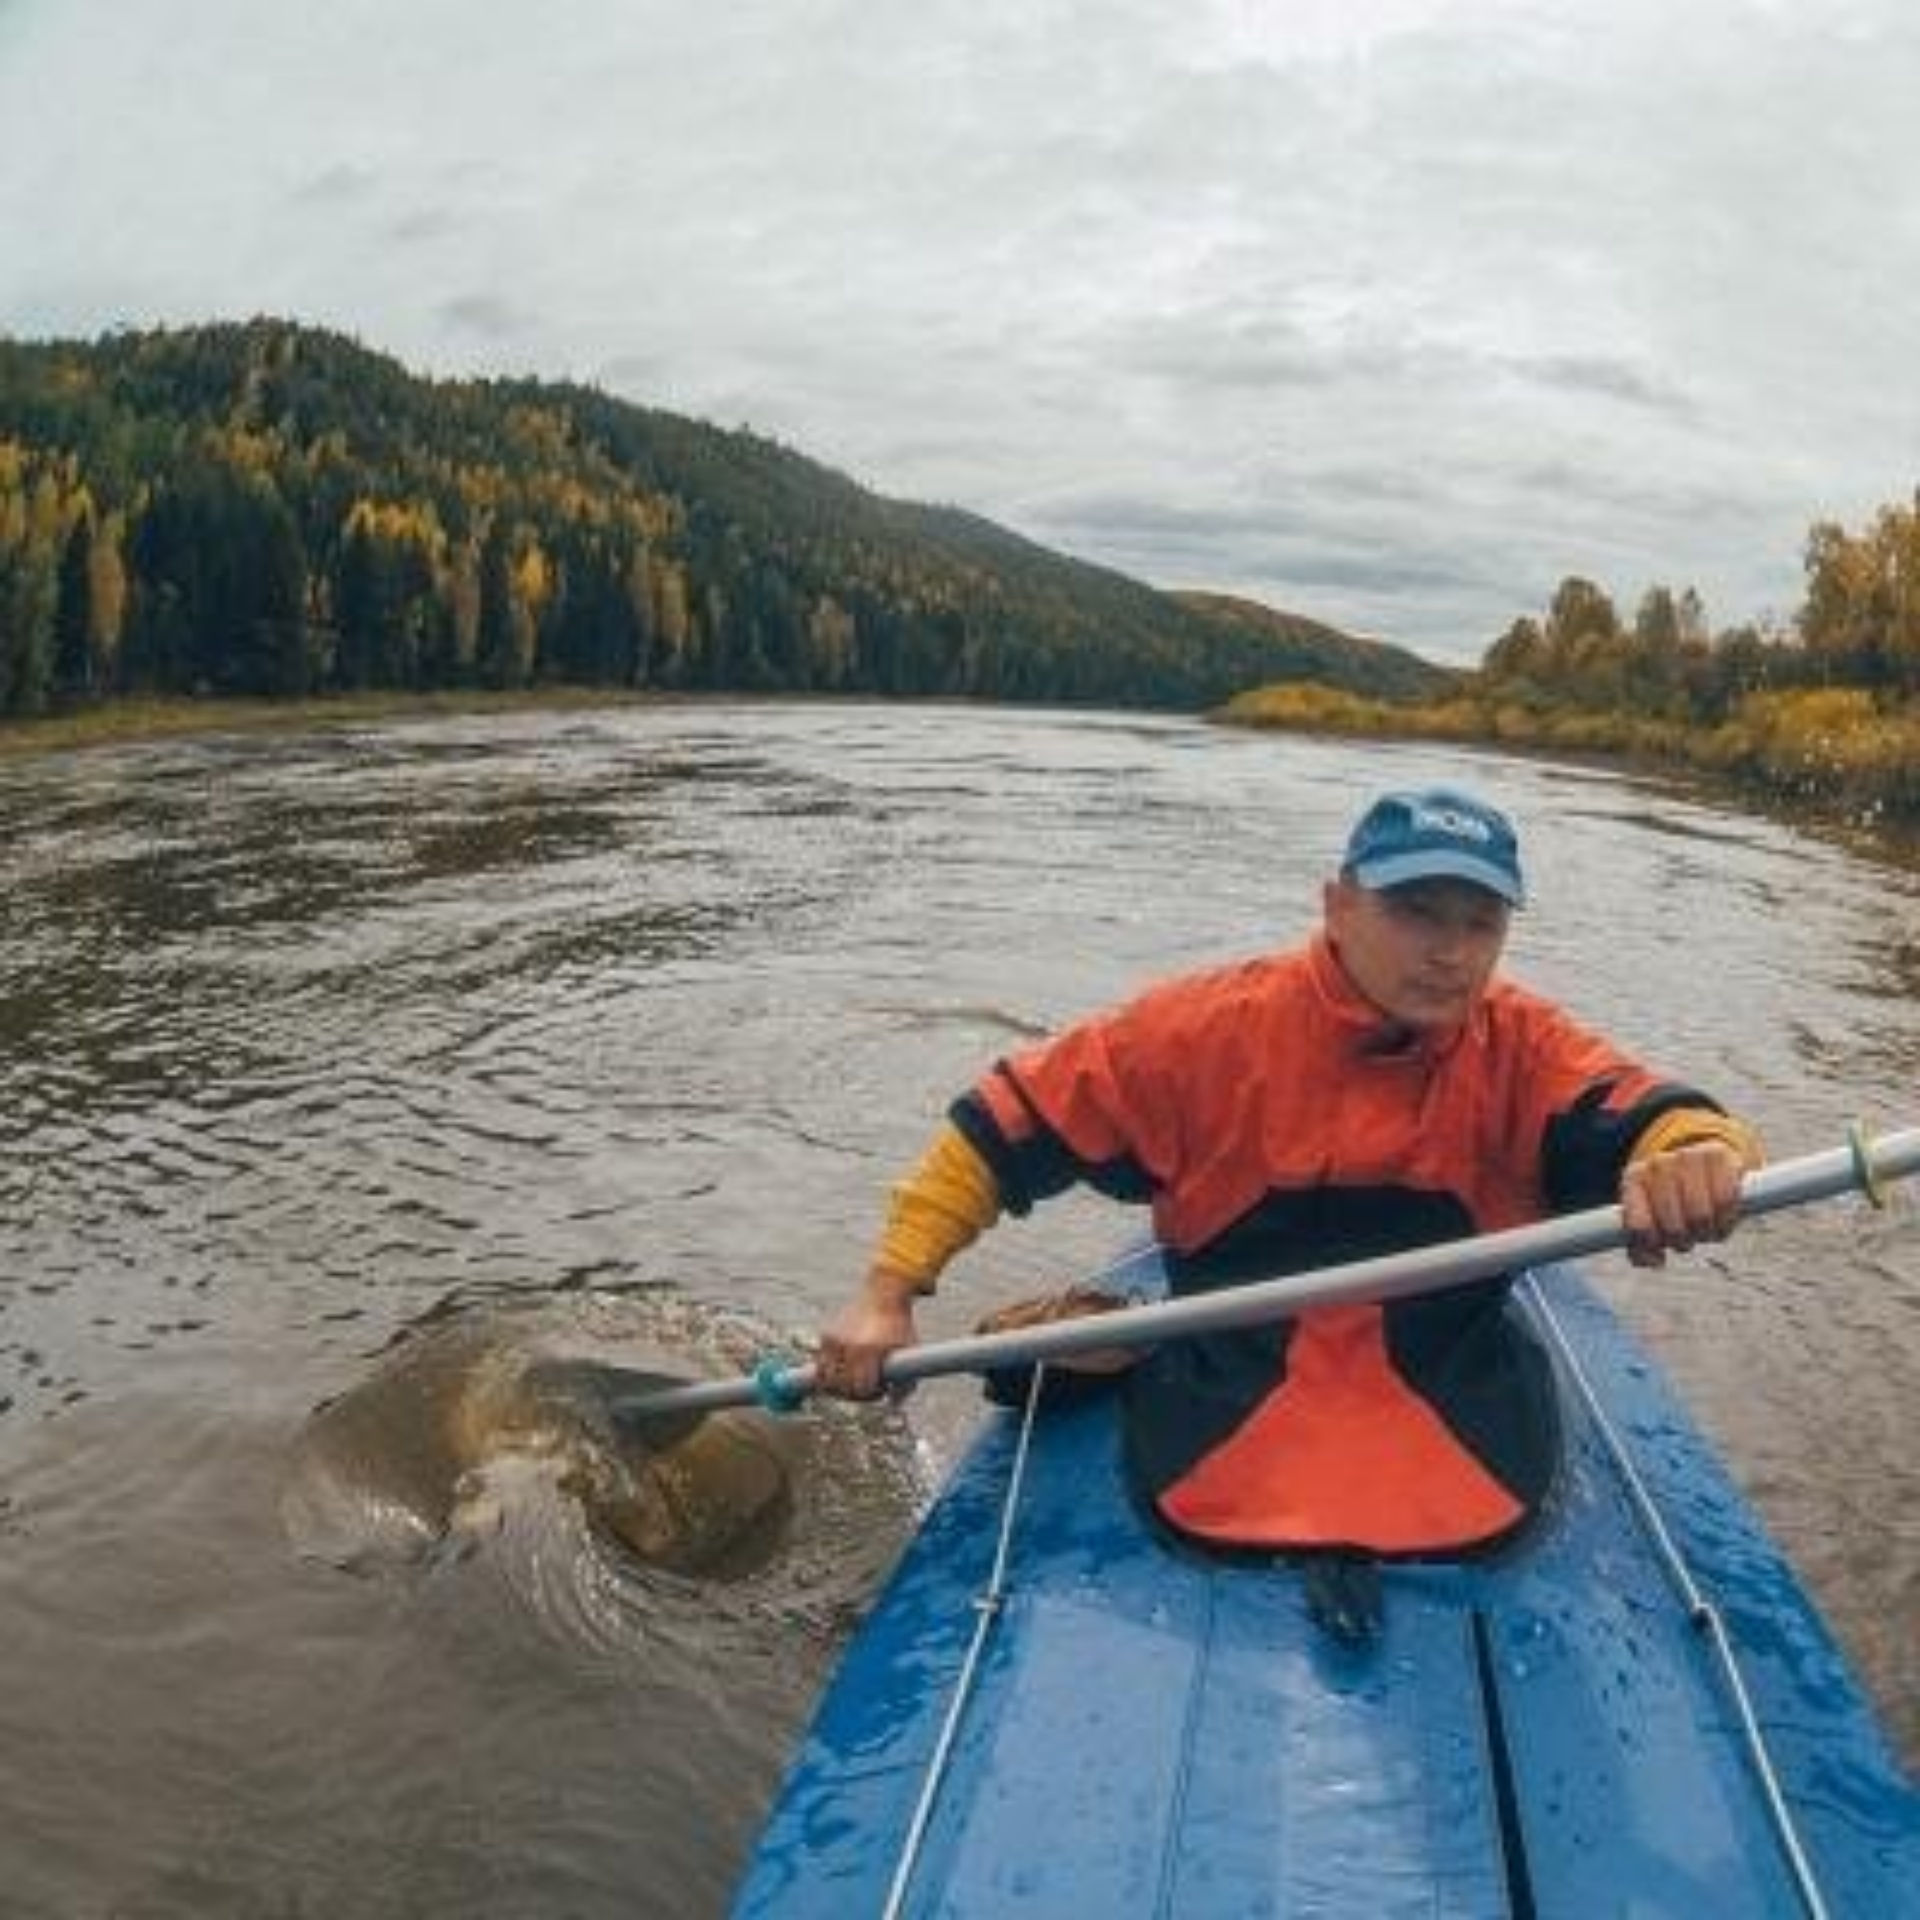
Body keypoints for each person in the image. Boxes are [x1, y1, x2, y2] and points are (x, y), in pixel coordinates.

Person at [813, 786, 1762, 1563]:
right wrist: (886, 1293)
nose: (1451, 951)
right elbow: (1000, 1127)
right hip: (1225, 1382)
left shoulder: (1524, 1045)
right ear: (1337, 905)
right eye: (1415, 910)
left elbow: (1656, 1113)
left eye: (1481, 921)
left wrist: (1697, 1156)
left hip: (1453, 1385)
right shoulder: (1200, 1031)